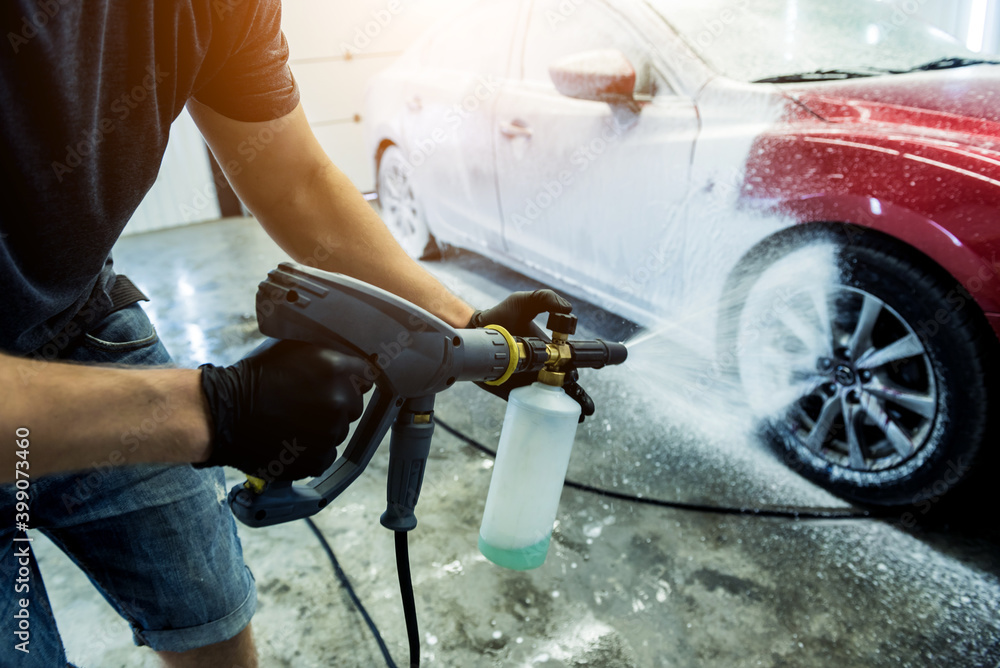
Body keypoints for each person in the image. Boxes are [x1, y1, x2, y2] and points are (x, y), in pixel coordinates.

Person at [0, 1, 583, 666]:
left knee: (211, 606)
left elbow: (297, 181)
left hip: (77, 316)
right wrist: (215, 409)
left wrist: (465, 327)